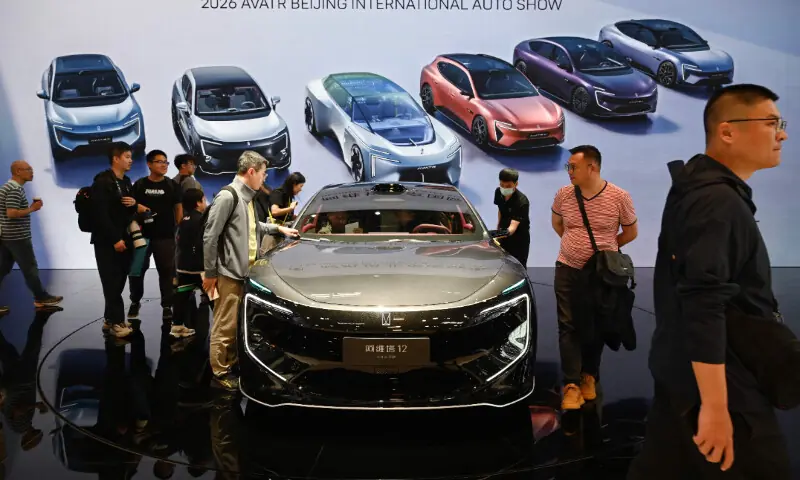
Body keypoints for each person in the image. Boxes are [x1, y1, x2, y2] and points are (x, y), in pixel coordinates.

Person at [628, 84, 791, 479]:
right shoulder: (717, 201)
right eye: (771, 123)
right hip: (722, 384)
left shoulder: (701, 187)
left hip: (684, 373)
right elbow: (704, 303)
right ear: (728, 131)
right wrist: (716, 409)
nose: (782, 134)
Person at [550, 145, 637, 410]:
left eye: (573, 166)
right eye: (568, 166)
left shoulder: (619, 196)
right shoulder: (564, 194)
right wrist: (574, 246)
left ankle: (589, 376)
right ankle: (571, 384)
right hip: (567, 268)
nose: (569, 171)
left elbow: (630, 232)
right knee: (568, 325)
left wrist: (605, 251)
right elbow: (558, 224)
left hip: (601, 274)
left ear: (592, 167)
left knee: (597, 324)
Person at [202, 151, 299, 390]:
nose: (265, 178)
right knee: (224, 325)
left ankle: (230, 363)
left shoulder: (246, 198)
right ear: (252, 171)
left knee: (234, 323)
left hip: (243, 273)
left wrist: (279, 230)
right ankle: (219, 372)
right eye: (263, 173)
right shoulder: (228, 196)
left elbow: (253, 227)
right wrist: (211, 273)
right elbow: (210, 237)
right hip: (229, 274)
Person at [0, 161, 62, 313]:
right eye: (28, 169)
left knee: (2, 268)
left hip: (7, 235)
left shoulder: (8, 187)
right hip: (16, 236)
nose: (32, 172)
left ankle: (41, 297)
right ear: (18, 171)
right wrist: (32, 209)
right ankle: (41, 297)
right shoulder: (14, 189)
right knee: (30, 268)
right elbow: (11, 213)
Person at [128, 150, 183, 321]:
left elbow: (178, 209)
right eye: (159, 162)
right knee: (137, 270)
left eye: (165, 162)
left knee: (166, 272)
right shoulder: (139, 185)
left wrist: (178, 229)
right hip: (142, 236)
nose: (164, 165)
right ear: (149, 164)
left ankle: (167, 305)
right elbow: (131, 207)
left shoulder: (172, 185)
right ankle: (135, 301)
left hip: (165, 236)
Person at [90, 142, 138, 338]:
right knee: (111, 281)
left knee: (119, 281)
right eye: (127, 157)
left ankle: (110, 319)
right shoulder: (102, 182)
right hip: (106, 241)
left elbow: (128, 209)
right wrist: (115, 239)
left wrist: (133, 203)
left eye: (131, 157)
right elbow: (100, 215)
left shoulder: (126, 181)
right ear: (115, 159)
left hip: (125, 238)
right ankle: (117, 322)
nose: (130, 160)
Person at [171, 188, 206, 338]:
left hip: (183, 266)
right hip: (200, 268)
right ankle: (223, 329)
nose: (205, 202)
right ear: (198, 203)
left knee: (181, 296)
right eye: (203, 199)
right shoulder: (201, 220)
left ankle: (177, 327)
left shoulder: (183, 220)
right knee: (214, 298)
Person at [493, 168, 530, 266]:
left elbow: (512, 228)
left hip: (518, 239)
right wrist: (498, 228)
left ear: (516, 184)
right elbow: (500, 210)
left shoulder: (522, 202)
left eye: (508, 186)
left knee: (518, 266)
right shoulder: (498, 192)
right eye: (502, 185)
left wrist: (495, 235)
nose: (504, 188)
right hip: (503, 233)